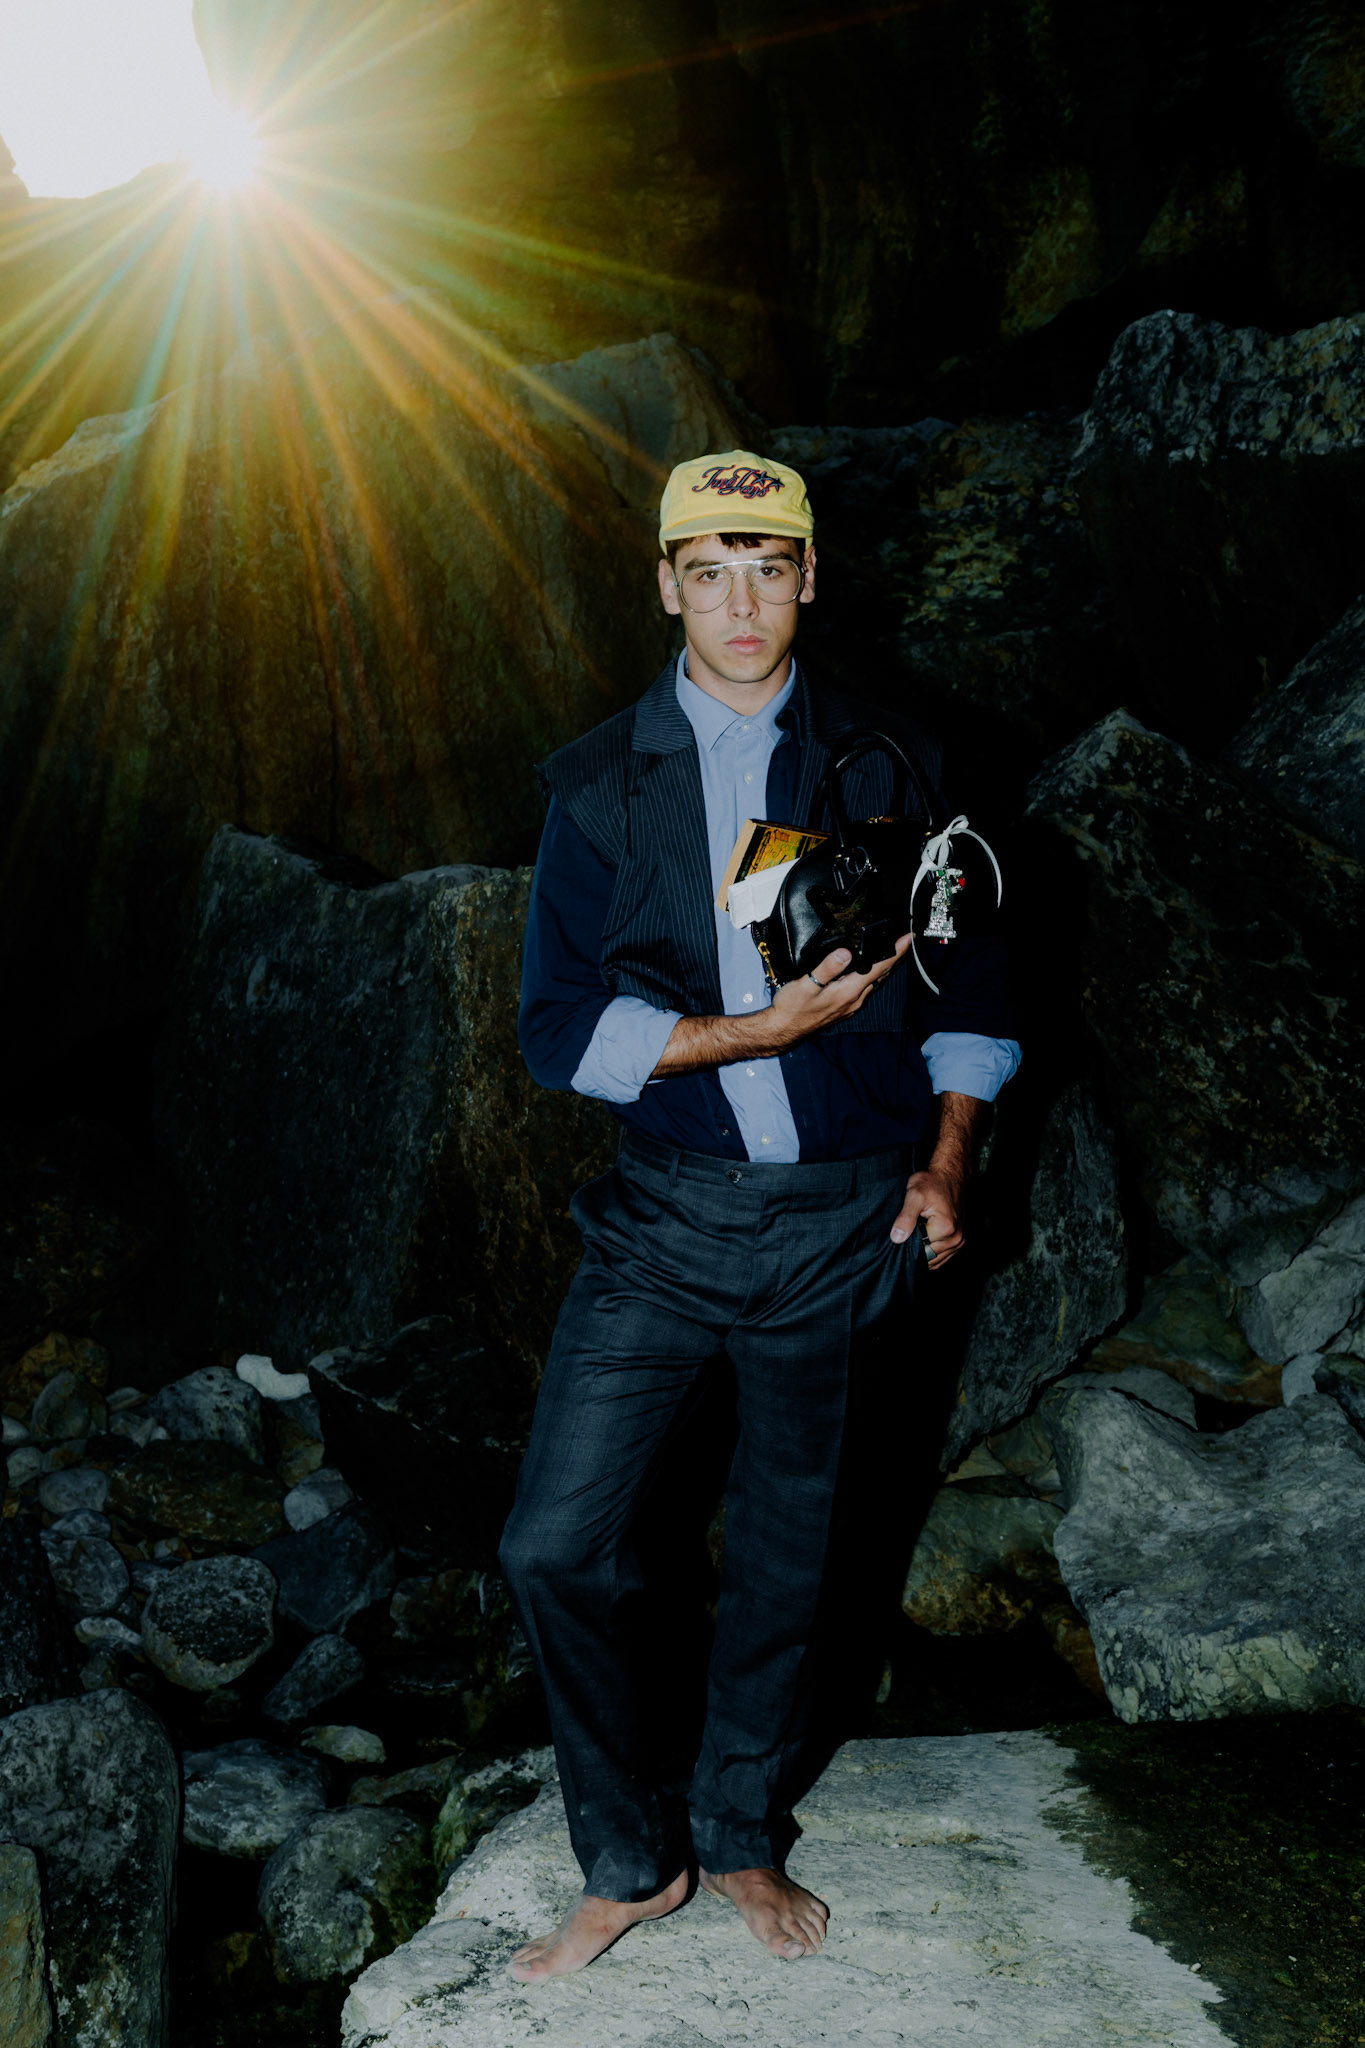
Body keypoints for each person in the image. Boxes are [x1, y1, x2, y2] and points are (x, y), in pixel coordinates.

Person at [501, 448, 1020, 1981]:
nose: (741, 606)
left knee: (795, 1560)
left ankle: (733, 1836)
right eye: (709, 574)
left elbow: (972, 989)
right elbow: (555, 1029)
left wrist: (947, 1161)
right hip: (660, 1222)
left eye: (769, 571)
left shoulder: (896, 758)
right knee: (553, 1546)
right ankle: (627, 1859)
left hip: (846, 1222)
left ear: (808, 580)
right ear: (665, 586)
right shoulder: (597, 787)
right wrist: (754, 1034)